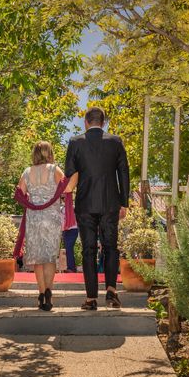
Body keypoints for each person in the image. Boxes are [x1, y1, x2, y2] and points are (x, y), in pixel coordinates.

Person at [65, 107, 130, 310]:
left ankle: (91, 298)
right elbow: (124, 174)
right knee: (111, 247)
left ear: (86, 122)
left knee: (88, 250)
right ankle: (111, 291)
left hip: (85, 204)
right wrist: (124, 203)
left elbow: (69, 174)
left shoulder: (76, 142)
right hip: (111, 203)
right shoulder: (115, 142)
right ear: (103, 123)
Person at [15, 141, 73, 311]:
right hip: (51, 216)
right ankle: (49, 292)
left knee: (38, 258)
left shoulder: (26, 172)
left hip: (34, 217)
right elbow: (67, 188)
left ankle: (41, 293)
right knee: (49, 256)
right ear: (50, 153)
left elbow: (21, 193)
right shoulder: (55, 170)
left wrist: (34, 199)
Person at [61, 196, 78, 272]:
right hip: (65, 231)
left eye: (65, 197)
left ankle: (71, 268)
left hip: (73, 230)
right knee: (68, 249)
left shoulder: (73, 208)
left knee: (69, 248)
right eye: (62, 198)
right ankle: (71, 267)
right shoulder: (61, 209)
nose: (64, 199)